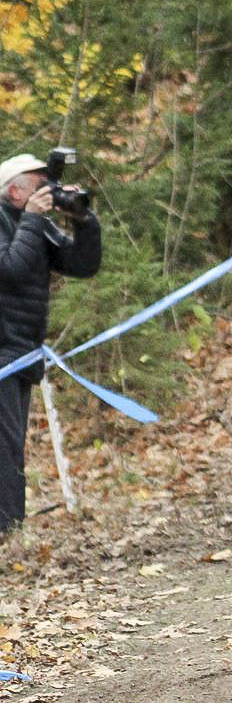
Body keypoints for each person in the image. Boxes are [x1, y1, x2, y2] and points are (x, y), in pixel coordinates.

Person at [0, 153, 101, 534]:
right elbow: (9, 270)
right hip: (2, 352)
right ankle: (8, 531)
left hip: (21, 350)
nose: (49, 192)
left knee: (11, 445)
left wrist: (83, 220)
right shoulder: (13, 220)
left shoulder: (33, 222)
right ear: (15, 190)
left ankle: (8, 525)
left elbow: (81, 264)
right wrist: (32, 218)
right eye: (40, 185)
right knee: (4, 447)